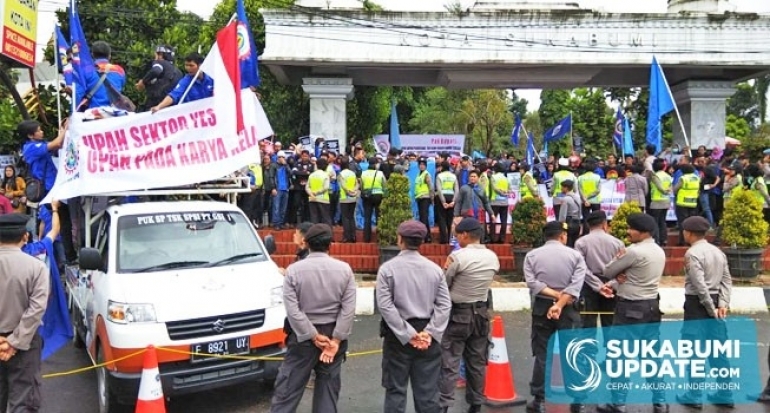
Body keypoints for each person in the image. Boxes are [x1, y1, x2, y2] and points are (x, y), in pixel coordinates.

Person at [270, 224, 357, 413]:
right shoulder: (345, 270)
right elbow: (348, 309)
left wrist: (312, 336)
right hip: (333, 335)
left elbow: (293, 311)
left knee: (287, 393)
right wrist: (335, 340)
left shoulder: (294, 271)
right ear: (330, 244)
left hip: (303, 339)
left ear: (306, 244)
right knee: (327, 393)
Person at [377, 220, 451, 413]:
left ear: (400, 239)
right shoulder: (435, 269)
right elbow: (444, 304)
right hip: (427, 335)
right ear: (421, 242)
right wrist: (430, 332)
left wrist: (408, 334)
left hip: (397, 335)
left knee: (395, 391)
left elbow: (385, 306)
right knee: (427, 393)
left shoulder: (387, 269)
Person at [597, 213, 668, 413]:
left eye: (631, 229)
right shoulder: (658, 250)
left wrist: (617, 272)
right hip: (652, 307)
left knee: (621, 357)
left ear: (643, 232)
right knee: (651, 357)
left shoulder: (633, 252)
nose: (628, 232)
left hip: (630, 309)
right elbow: (631, 276)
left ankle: (618, 403)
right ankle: (660, 402)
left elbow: (607, 270)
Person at [523, 221, 587, 413]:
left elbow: (532, 283)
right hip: (569, 308)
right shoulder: (575, 256)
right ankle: (578, 401)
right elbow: (576, 285)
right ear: (562, 236)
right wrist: (561, 301)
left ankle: (539, 401)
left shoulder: (532, 255)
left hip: (543, 307)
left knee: (542, 353)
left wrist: (554, 299)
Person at [439, 217, 499, 413]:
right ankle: (475, 404)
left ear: (465, 235)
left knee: (450, 361)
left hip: (458, 314)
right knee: (477, 362)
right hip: (481, 314)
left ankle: (444, 405)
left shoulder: (458, 257)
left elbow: (444, 284)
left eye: (457, 235)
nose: (457, 239)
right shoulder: (492, 257)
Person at [675, 216, 734, 409]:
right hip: (717, 302)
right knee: (718, 350)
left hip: (698, 306)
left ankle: (694, 394)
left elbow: (700, 287)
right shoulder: (718, 252)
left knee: (695, 351)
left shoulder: (693, 254)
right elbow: (726, 280)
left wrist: (710, 310)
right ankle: (725, 393)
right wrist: (722, 304)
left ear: (689, 233)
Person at [0, 213, 50, 412]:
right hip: (25, 346)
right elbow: (37, 308)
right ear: (25, 237)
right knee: (23, 401)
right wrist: (14, 342)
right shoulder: (36, 268)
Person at [20, 119, 76, 263]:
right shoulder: (31, 148)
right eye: (39, 130)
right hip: (47, 192)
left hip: (53, 189)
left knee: (66, 222)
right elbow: (57, 143)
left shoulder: (39, 145)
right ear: (31, 135)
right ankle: (68, 258)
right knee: (62, 224)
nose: (42, 131)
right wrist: (64, 131)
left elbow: (59, 144)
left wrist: (63, 132)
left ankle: (69, 256)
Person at [574, 211, 624, 342]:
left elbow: (581, 269)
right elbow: (622, 269)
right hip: (611, 286)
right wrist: (610, 284)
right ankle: (611, 360)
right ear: (604, 224)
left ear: (588, 225)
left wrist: (597, 286)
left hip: (589, 286)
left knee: (587, 326)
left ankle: (587, 359)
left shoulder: (581, 242)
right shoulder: (617, 243)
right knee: (611, 325)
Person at [76, 41, 126, 110]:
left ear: (92, 55)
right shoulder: (119, 70)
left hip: (95, 115)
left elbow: (78, 94)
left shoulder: (86, 70)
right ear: (109, 56)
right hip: (115, 114)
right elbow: (121, 85)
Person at [135, 45, 183, 111]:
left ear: (160, 55)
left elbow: (156, 70)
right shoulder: (179, 72)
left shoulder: (159, 62)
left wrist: (143, 82)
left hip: (155, 104)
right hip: (171, 106)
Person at [453, 170, 494, 243]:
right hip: (467, 213)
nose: (472, 178)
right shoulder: (464, 188)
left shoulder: (481, 189)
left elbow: (486, 203)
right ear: (468, 178)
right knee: (468, 231)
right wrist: (456, 215)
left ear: (478, 178)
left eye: (474, 176)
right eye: (471, 176)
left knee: (480, 231)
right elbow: (459, 202)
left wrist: (492, 214)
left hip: (479, 213)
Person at [673, 164, 701, 246]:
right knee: (692, 223)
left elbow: (675, 189)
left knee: (683, 223)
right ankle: (692, 241)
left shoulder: (683, 178)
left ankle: (682, 241)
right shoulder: (697, 178)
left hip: (682, 203)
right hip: (693, 202)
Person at [649, 158, 673, 246]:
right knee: (662, 221)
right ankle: (664, 240)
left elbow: (660, 188)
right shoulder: (668, 176)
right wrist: (667, 192)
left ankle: (657, 240)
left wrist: (665, 191)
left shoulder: (655, 176)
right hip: (666, 200)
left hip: (656, 201)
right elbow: (670, 187)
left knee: (656, 222)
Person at [361, 158, 386, 243]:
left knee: (367, 217)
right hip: (378, 196)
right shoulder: (380, 173)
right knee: (379, 217)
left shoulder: (363, 173)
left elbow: (361, 186)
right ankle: (380, 238)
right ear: (376, 164)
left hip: (367, 196)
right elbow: (384, 185)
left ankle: (366, 238)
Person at [435, 161, 458, 245]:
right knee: (450, 219)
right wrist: (453, 201)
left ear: (441, 167)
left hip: (442, 197)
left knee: (441, 218)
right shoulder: (453, 176)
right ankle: (450, 239)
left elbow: (439, 189)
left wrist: (443, 201)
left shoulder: (439, 176)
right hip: (451, 196)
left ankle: (443, 239)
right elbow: (456, 190)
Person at [338, 156, 359, 243]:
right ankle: (353, 236)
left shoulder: (341, 174)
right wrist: (354, 191)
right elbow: (357, 184)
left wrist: (348, 192)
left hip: (344, 198)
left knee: (345, 218)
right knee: (351, 217)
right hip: (353, 198)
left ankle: (346, 237)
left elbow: (343, 186)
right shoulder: (353, 173)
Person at [577, 160, 602, 234]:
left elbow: (580, 190)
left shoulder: (580, 177)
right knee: (597, 218)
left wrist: (585, 199)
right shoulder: (597, 177)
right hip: (596, 201)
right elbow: (598, 190)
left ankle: (586, 233)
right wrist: (589, 196)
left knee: (586, 219)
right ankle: (597, 233)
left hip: (584, 201)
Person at [307, 157, 332, 226]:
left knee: (314, 219)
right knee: (326, 219)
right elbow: (326, 187)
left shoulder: (311, 175)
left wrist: (311, 193)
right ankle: (327, 235)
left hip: (312, 199)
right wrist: (318, 192)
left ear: (317, 165)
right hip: (323, 199)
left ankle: (315, 236)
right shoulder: (325, 175)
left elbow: (307, 187)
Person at [489, 163, 510, 244]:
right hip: (505, 202)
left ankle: (493, 238)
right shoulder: (506, 178)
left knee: (493, 220)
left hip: (495, 202)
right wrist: (505, 194)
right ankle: (502, 238)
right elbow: (509, 189)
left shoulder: (493, 177)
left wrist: (501, 193)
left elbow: (494, 188)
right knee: (504, 220)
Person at [557, 180, 582, 248]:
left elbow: (562, 215)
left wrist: (561, 225)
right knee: (575, 243)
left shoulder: (565, 199)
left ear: (566, 188)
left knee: (568, 243)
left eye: (562, 187)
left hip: (569, 222)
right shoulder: (577, 197)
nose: (561, 189)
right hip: (577, 222)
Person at [414, 158, 434, 243]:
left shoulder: (426, 175)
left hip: (425, 198)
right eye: (420, 164)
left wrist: (432, 199)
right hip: (419, 198)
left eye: (423, 165)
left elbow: (431, 187)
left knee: (424, 218)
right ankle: (427, 237)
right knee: (423, 218)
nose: (421, 166)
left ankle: (424, 237)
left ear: (426, 166)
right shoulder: (419, 175)